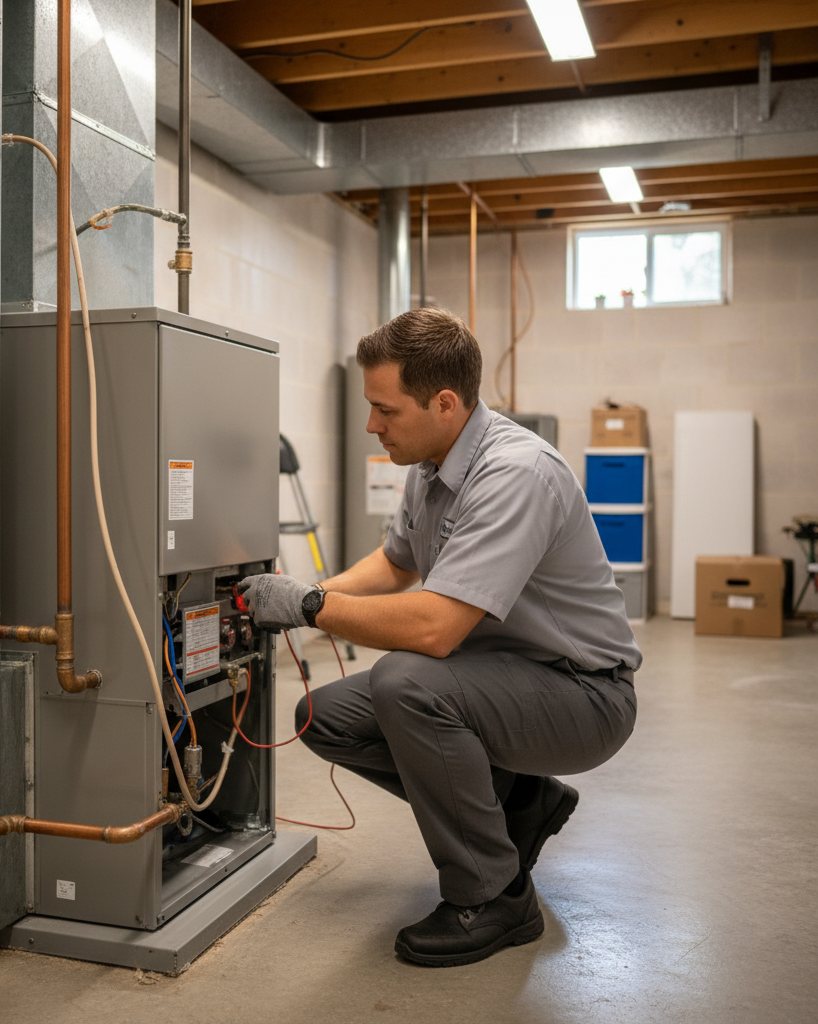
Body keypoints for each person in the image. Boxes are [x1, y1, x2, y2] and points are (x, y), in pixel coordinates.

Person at [237, 307, 641, 968]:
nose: (373, 425)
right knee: (326, 716)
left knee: (407, 680)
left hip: (582, 694)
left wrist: (310, 607)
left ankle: (495, 896)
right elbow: (396, 563)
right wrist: (308, 592)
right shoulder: (432, 464)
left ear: (445, 403)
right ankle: (522, 801)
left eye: (385, 410)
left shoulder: (514, 473)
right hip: (504, 679)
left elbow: (434, 627)